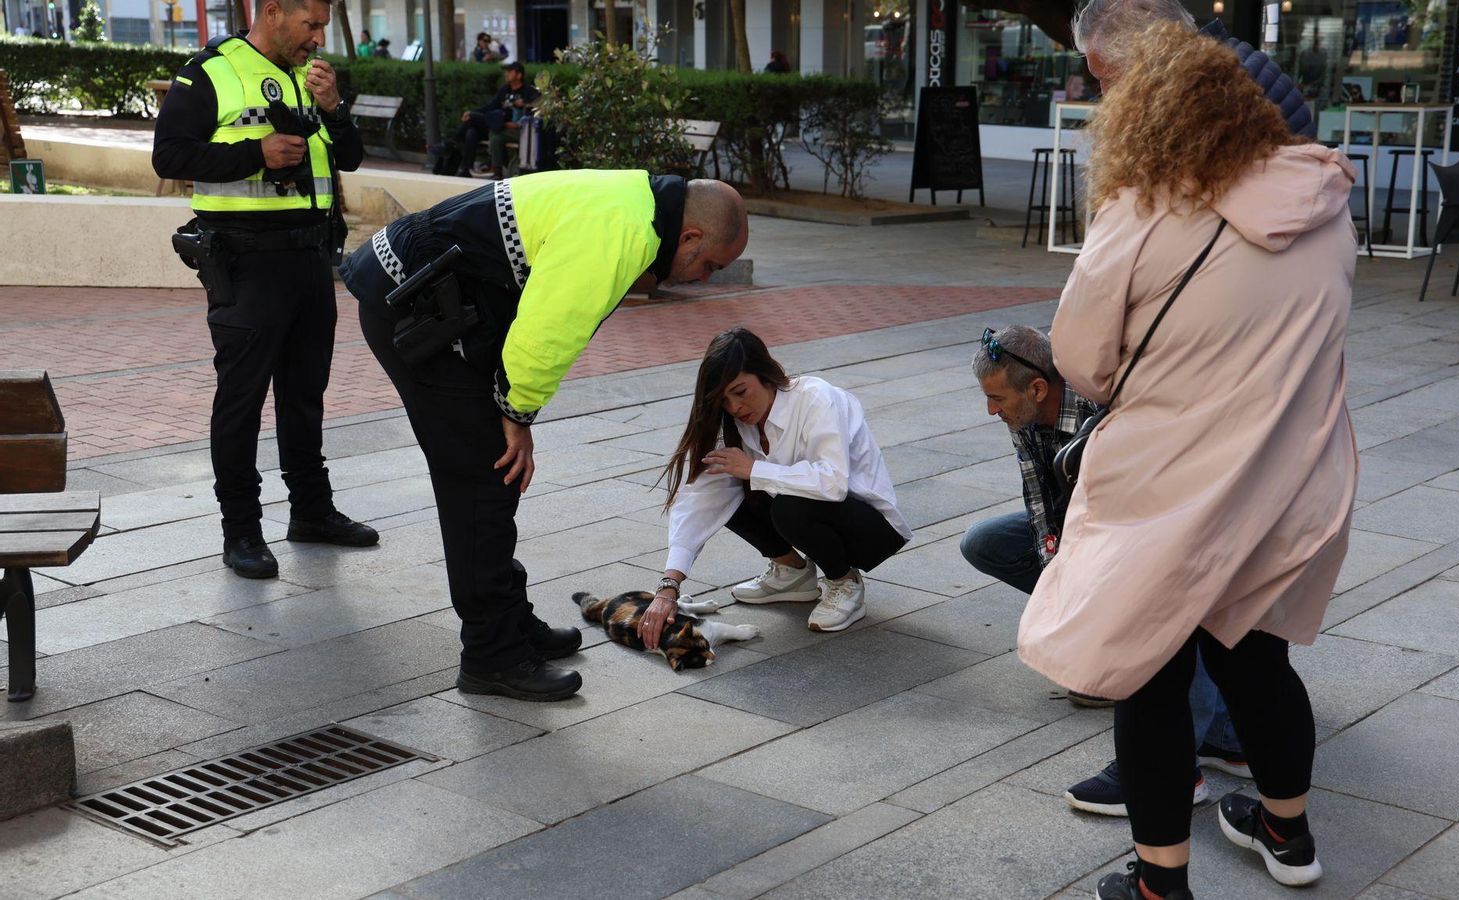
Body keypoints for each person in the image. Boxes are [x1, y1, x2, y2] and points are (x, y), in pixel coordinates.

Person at [1016, 23, 1357, 900]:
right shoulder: (1324, 205)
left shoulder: (1141, 210)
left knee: (1151, 672)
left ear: (1147, 114)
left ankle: (1158, 885)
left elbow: (1082, 361)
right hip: (1293, 479)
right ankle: (1288, 833)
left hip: (1167, 487)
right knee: (1258, 663)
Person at [341, 173, 749, 702]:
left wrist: (515, 409)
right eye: (710, 265)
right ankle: (491, 656)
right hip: (414, 300)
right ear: (690, 237)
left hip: (435, 292)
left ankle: (510, 623)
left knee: (491, 478)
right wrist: (517, 412)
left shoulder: (637, 207)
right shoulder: (623, 231)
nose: (703, 279)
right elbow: (546, 331)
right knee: (482, 481)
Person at [961, 324, 1250, 809]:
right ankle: (1224, 733)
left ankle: (1174, 767)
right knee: (985, 542)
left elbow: (1150, 504)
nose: (990, 410)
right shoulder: (1025, 417)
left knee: (1175, 607)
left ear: (1036, 388)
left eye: (996, 397)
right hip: (1099, 524)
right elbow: (1039, 501)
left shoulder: (1110, 408)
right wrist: (1065, 586)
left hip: (1174, 525)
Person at [153, 0, 375, 580]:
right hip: (245, 260)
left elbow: (347, 157)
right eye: (311, 24)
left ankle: (312, 513)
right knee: (242, 401)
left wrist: (335, 108)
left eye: (323, 26)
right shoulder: (210, 72)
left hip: (309, 259)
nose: (319, 38)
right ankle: (242, 532)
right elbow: (169, 154)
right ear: (273, 11)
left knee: (305, 396)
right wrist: (256, 154)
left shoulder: (308, 80)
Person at [640, 328, 912, 649]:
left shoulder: (816, 398)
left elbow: (833, 482)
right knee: (725, 489)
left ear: (767, 376)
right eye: (724, 400)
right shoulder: (734, 424)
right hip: (811, 514)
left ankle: (844, 582)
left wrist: (754, 468)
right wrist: (668, 587)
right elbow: (700, 501)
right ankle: (792, 572)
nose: (735, 407)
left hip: (869, 529)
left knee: (787, 500)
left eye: (741, 391)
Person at [1072, 0, 1315, 140]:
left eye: (1110, 77)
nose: (1105, 92)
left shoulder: (1205, 92)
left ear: (1147, 51)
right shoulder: (1228, 59)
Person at [450, 61, 537, 178]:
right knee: (472, 132)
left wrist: (518, 121)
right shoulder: (504, 90)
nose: (506, 74)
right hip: (498, 125)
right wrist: (473, 112)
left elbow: (534, 111)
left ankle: (450, 143)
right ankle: (466, 169)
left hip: (515, 129)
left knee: (489, 131)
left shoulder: (528, 91)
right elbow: (490, 107)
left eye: (509, 72)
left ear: (519, 75)